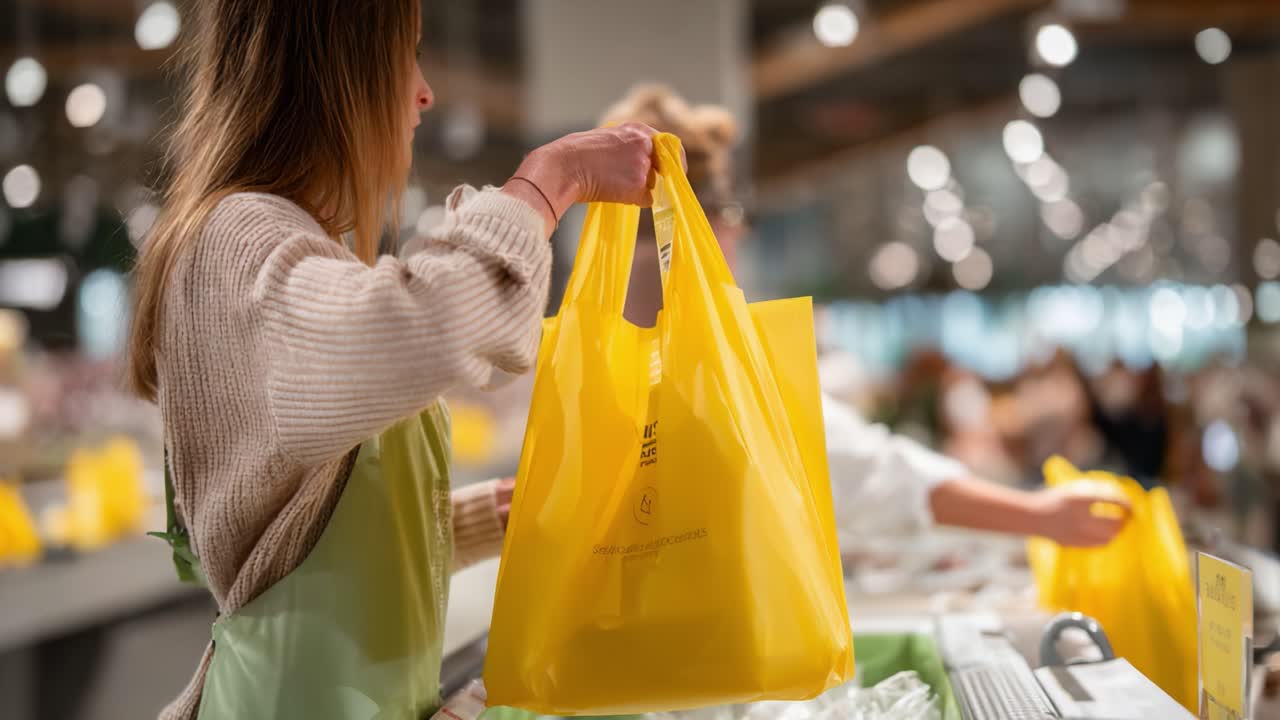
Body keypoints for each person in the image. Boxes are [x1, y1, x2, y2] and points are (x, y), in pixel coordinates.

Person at [127, 3, 662, 718]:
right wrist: (546, 184)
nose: (424, 90)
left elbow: (295, 524)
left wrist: (479, 521)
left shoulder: (290, 243)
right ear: (338, 74)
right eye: (405, 55)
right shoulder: (236, 240)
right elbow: (436, 325)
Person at [600, 85, 1130, 550]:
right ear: (713, 226)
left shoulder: (573, 352)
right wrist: (1039, 515)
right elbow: (869, 474)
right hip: (708, 647)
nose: (740, 235)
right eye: (736, 217)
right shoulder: (719, 356)